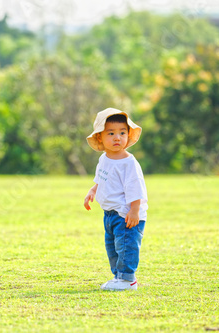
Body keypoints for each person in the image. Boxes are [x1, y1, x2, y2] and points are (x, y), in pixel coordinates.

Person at [83, 108, 148, 291]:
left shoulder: (129, 163)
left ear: (128, 136)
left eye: (122, 133)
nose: (117, 137)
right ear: (100, 138)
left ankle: (128, 279)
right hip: (110, 215)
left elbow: (136, 188)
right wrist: (93, 190)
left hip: (126, 215)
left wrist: (134, 210)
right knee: (113, 247)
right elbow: (102, 178)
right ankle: (118, 277)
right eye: (111, 133)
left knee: (126, 246)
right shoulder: (104, 158)